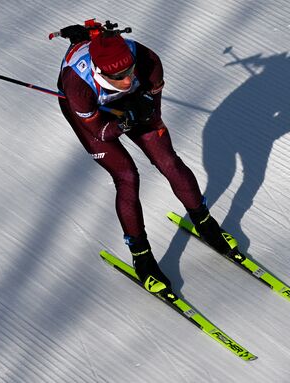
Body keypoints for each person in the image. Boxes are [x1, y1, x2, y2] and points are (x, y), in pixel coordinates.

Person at [57, 27, 239, 293]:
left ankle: (205, 223)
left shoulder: (146, 60)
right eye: (118, 77)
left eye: (130, 71)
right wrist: (122, 122)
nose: (128, 79)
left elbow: (153, 111)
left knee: (169, 161)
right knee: (127, 177)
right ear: (100, 70)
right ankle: (141, 256)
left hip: (130, 104)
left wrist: (144, 106)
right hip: (95, 117)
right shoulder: (77, 84)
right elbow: (101, 133)